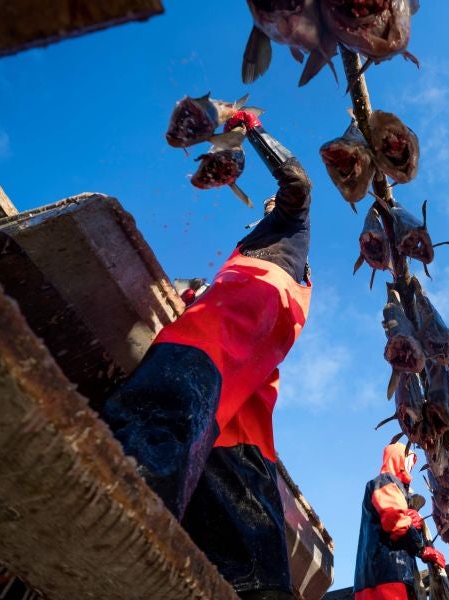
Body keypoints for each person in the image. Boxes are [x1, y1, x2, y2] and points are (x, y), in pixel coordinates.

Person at [102, 110, 310, 600]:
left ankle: (119, 498)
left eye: (270, 205)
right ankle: (259, 585)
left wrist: (250, 128)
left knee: (193, 355)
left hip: (253, 302)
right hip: (259, 355)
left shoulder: (288, 227)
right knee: (240, 444)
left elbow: (296, 183)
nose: (267, 208)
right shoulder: (268, 252)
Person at [354, 443, 446, 600]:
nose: (411, 466)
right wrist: (422, 549)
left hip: (369, 580)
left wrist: (409, 518)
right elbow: (394, 521)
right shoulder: (385, 481)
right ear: (399, 459)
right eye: (409, 460)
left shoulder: (382, 487)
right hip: (387, 578)